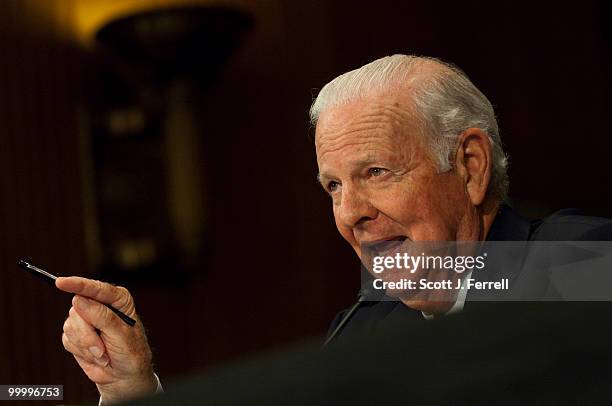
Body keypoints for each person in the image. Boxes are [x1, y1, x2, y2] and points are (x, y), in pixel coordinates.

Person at [56, 54, 612, 403]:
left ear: (468, 166)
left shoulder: (580, 264)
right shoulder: (364, 330)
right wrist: (135, 392)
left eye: (375, 172)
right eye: (333, 187)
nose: (350, 214)